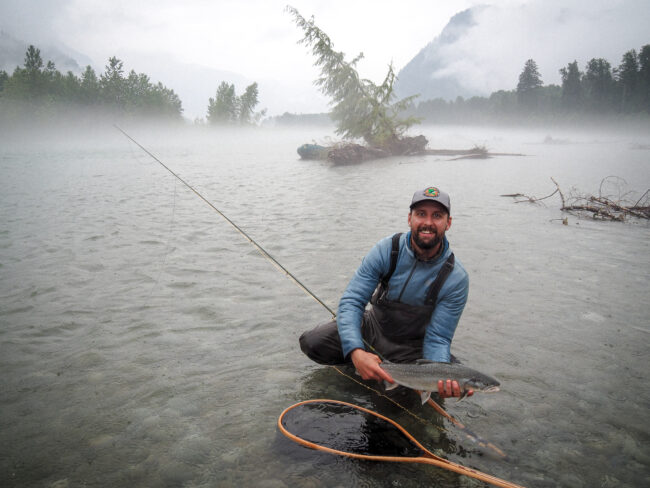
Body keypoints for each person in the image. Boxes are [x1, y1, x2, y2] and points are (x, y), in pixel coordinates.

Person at [299, 186, 471, 398]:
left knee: (390, 410)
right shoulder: (387, 249)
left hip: (411, 349)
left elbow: (438, 338)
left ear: (448, 223)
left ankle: (395, 378)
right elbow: (352, 301)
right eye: (420, 214)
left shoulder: (456, 277)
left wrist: (440, 375)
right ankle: (360, 367)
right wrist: (356, 352)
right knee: (312, 342)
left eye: (437, 216)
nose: (428, 222)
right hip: (373, 328)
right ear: (410, 219)